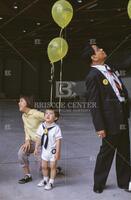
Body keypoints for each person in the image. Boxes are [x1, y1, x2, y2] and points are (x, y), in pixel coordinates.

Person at [85, 43, 131, 193]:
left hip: (122, 116)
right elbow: (94, 103)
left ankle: (125, 182)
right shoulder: (92, 76)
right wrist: (99, 127)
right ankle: (98, 184)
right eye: (99, 50)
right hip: (109, 120)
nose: (102, 49)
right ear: (93, 57)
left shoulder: (109, 69)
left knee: (124, 151)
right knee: (106, 152)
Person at [18, 95, 44, 184]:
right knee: (21, 153)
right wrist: (27, 140)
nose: (19, 103)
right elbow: (26, 129)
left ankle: (55, 169)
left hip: (42, 143)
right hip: (32, 142)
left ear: (27, 103)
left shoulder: (36, 114)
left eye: (21, 101)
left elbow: (50, 118)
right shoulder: (23, 116)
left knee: (42, 170)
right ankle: (27, 176)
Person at [34, 107, 62, 190]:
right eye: (46, 113)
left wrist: (58, 152)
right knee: (44, 167)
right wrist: (36, 147)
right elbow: (39, 138)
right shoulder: (41, 126)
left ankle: (51, 182)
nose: (48, 115)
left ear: (55, 118)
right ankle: (45, 179)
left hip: (53, 151)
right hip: (45, 151)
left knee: (53, 167)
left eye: (51, 113)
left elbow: (58, 141)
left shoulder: (56, 128)